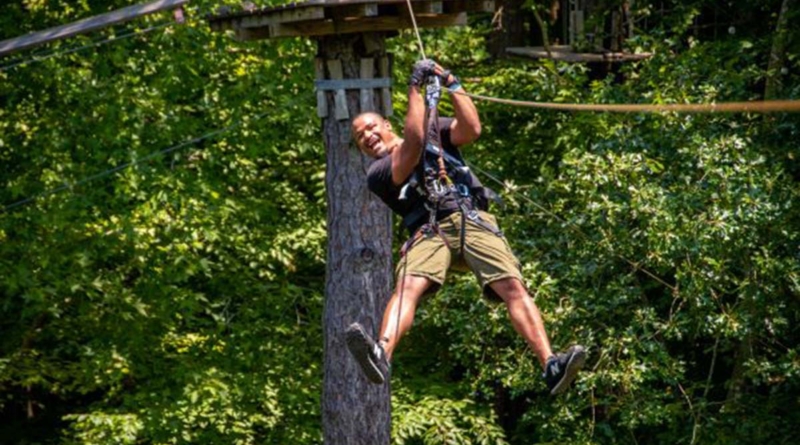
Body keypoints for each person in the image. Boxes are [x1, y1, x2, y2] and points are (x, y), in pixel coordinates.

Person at [346, 60, 585, 395]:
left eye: (371, 128)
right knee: (408, 287)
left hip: (470, 217)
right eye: (361, 138)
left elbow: (470, 129)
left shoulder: (433, 130)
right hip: (430, 231)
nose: (368, 137)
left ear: (386, 124)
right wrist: (415, 88)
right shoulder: (378, 173)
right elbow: (412, 146)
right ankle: (380, 353)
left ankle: (550, 365)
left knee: (512, 287)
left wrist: (453, 85)